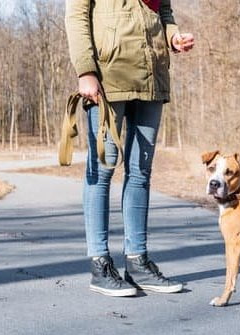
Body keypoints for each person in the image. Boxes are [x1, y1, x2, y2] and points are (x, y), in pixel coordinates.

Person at [65, 0, 194, 297]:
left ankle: (137, 262)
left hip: (152, 75)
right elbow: (77, 15)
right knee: (103, 166)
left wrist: (173, 38)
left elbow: (163, 11)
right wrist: (86, 70)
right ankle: (100, 264)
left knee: (140, 172)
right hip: (108, 77)